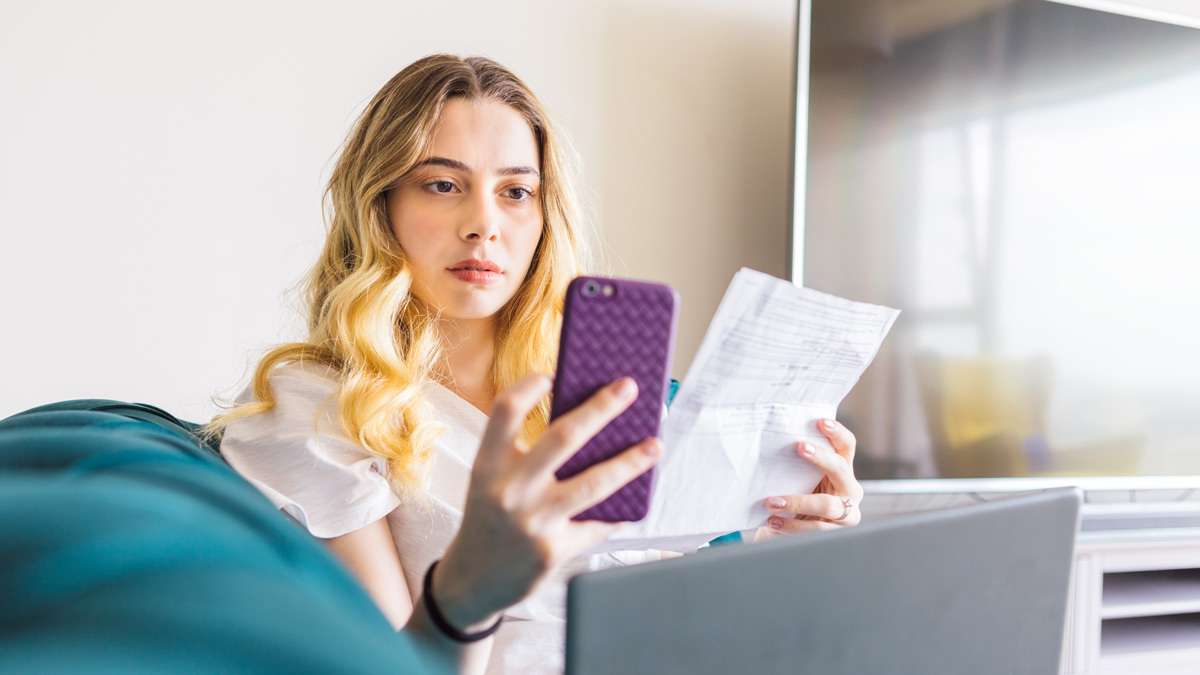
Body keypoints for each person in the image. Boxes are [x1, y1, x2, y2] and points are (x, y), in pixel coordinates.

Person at [210, 54, 863, 675]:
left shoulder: (607, 394)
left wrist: (787, 539)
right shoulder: (315, 405)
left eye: (517, 191)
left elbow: (707, 618)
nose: (484, 224)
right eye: (443, 185)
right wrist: (476, 583)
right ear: (380, 206)